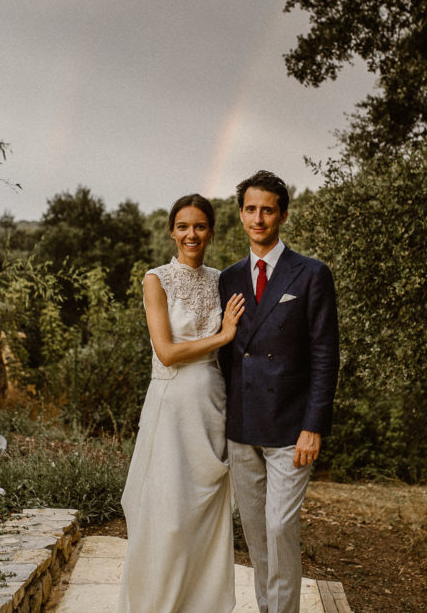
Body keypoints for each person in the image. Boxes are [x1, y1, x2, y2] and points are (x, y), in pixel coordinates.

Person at [117, 194, 246, 613]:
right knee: (168, 516)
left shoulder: (224, 280)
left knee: (204, 517)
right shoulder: (156, 280)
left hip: (213, 405)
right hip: (172, 408)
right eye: (184, 227)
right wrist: (222, 336)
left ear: (211, 231)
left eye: (201, 226)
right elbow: (167, 351)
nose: (192, 234)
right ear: (172, 231)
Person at [218, 171, 340, 613]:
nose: (258, 218)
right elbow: (225, 356)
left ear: (283, 214)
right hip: (243, 425)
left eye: (267, 209)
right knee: (254, 531)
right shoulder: (228, 279)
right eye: (250, 209)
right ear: (241, 215)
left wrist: (314, 425)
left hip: (291, 427)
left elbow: (326, 356)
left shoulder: (310, 274)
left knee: (279, 526)